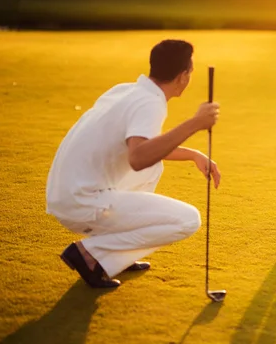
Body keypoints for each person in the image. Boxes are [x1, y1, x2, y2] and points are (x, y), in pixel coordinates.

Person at [46, 40, 221, 288]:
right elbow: (138, 158)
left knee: (154, 167)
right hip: (82, 200)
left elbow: (143, 148)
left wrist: (193, 154)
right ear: (183, 77)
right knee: (188, 220)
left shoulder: (127, 90)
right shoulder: (149, 103)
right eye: (190, 72)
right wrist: (195, 123)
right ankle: (91, 254)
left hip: (66, 193)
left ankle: (117, 256)